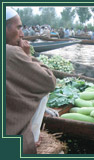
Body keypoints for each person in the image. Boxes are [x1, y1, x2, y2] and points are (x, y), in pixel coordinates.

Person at [6, 7, 56, 154]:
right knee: (42, 92)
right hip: (10, 141)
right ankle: (32, 138)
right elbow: (49, 81)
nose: (22, 34)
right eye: (19, 27)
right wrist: (27, 56)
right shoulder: (10, 52)